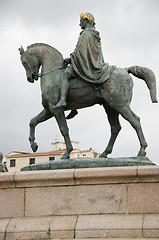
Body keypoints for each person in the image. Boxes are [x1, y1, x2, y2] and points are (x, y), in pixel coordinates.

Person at [53, 12, 111, 109]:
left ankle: (63, 100)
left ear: (86, 21)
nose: (80, 24)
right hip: (95, 63)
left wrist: (70, 59)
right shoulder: (94, 34)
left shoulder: (85, 34)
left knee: (65, 75)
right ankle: (73, 108)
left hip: (87, 64)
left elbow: (80, 52)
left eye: (81, 21)